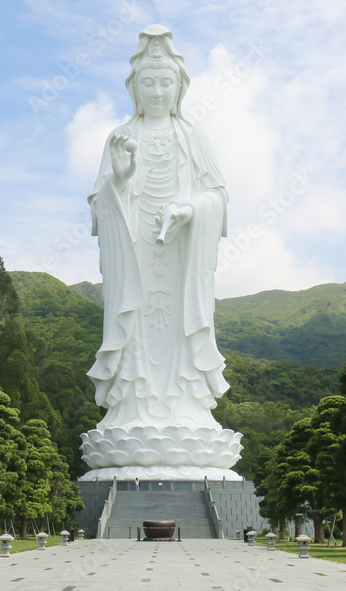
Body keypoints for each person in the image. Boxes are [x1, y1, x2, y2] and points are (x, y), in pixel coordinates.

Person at [80, 26, 242, 480]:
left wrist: (190, 208)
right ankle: (130, 412)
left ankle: (187, 411)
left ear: (179, 89)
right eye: (147, 82)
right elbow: (98, 207)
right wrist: (120, 177)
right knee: (136, 324)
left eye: (165, 82)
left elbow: (219, 199)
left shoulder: (193, 138)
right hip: (134, 257)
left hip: (180, 260)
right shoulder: (119, 136)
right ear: (134, 89)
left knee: (178, 326)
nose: (156, 90)